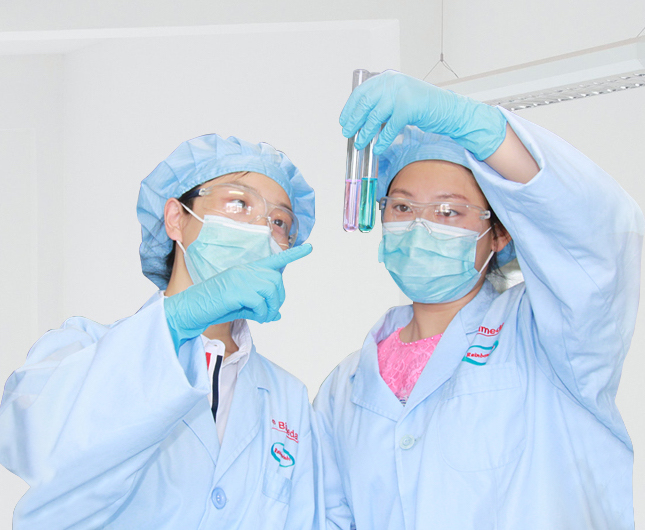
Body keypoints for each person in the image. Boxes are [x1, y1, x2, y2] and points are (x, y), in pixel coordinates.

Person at [314, 71, 643, 529]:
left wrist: (474, 125)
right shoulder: (342, 387)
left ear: (500, 232)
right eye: (403, 207)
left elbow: (598, 242)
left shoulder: (549, 335)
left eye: (449, 211)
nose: (421, 226)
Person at [0, 134, 323, 529]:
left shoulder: (288, 399)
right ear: (176, 218)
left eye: (279, 222)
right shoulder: (80, 349)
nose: (260, 228)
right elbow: (35, 445)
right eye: (239, 203)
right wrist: (173, 323)